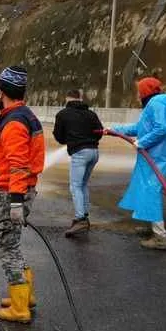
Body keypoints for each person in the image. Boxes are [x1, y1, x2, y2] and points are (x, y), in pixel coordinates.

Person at [0, 66, 45, 323]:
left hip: (13, 191)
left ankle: (20, 308)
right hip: (19, 188)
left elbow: (19, 165)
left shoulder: (13, 122)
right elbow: (15, 158)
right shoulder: (24, 115)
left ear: (1, 91)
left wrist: (15, 202)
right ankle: (25, 295)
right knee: (13, 244)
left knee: (6, 246)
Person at [109, 77, 166, 250]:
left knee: (151, 190)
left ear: (145, 91)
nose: (137, 95)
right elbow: (140, 127)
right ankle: (151, 227)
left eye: (139, 91)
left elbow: (161, 129)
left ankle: (160, 237)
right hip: (154, 154)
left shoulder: (156, 104)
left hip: (158, 155)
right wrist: (115, 130)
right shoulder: (155, 104)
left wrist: (142, 142)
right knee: (146, 188)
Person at [53, 89, 104, 237]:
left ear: (67, 99)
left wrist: (71, 139)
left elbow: (59, 137)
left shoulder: (62, 114)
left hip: (80, 154)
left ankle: (80, 219)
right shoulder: (91, 114)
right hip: (94, 152)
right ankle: (84, 215)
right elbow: (100, 132)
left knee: (75, 186)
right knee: (82, 185)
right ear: (80, 98)